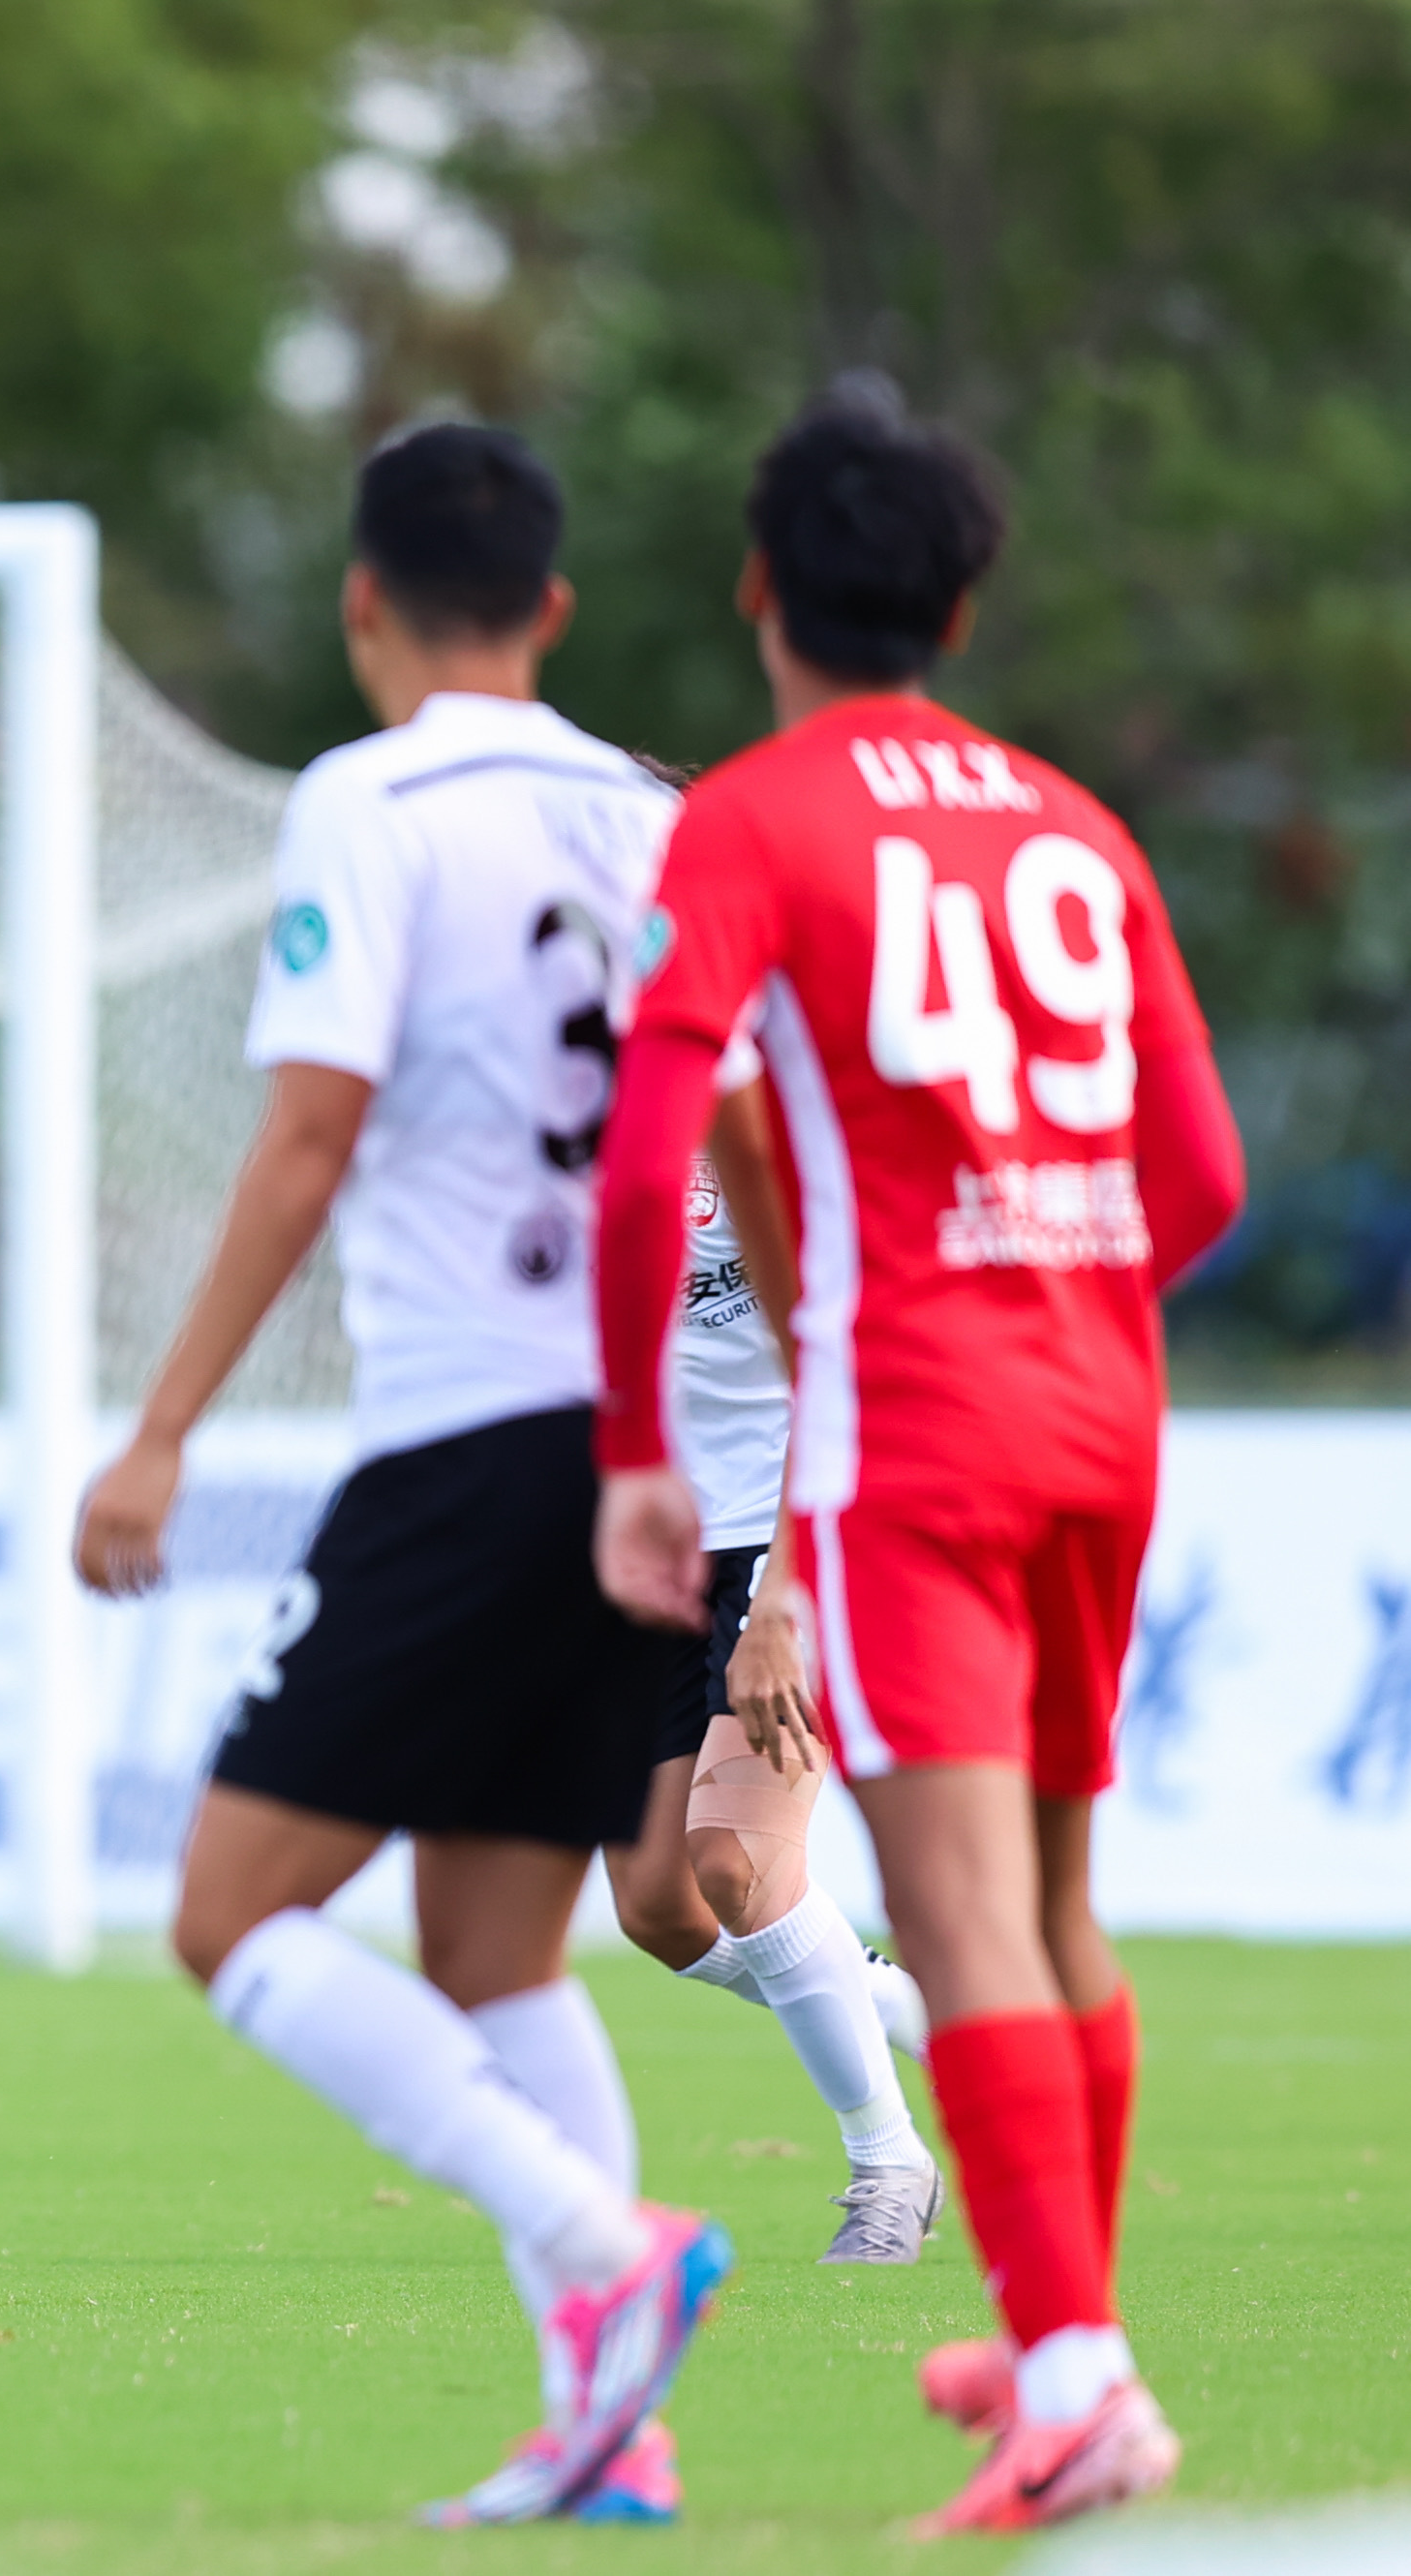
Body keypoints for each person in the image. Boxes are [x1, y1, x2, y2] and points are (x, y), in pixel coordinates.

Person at [593, 391, 1245, 2535]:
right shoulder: (1070, 824)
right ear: (958, 602)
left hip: (915, 1435)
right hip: (1096, 1405)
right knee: (1050, 1902)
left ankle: (1068, 2374)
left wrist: (651, 1437)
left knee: (958, 1910)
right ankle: (1074, 2340)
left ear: (759, 589)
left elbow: (653, 1148)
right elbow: (1202, 1178)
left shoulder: (753, 820)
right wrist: (1038, 1272)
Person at [74, 421, 727, 2526]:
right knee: (494, 1956)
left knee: (224, 1916)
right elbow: (736, 1147)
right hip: (646, 1439)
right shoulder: (654, 816)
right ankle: (608, 2435)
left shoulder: (363, 799)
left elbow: (304, 1130)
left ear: (362, 603)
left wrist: (159, 1426)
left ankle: (608, 2250)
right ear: (548, 605)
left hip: (467, 1435)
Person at [598, 1068, 943, 2263]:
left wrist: (786, 1592)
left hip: (785, 1532)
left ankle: (887, 2162)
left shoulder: (799, 1123)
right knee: (657, 1906)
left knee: (738, 1855)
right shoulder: (580, 1108)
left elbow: (846, 1372)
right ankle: (898, 2002)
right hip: (643, 1542)